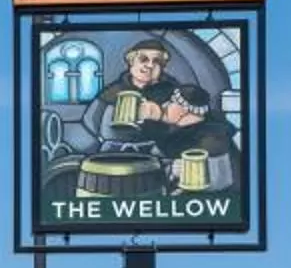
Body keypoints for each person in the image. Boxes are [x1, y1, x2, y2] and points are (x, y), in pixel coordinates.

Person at [69, 36, 237, 199]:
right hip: (110, 155)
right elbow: (91, 120)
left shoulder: (172, 93)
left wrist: (158, 118)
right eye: (144, 59)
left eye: (156, 62)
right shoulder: (112, 91)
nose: (149, 65)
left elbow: (185, 126)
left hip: (155, 157)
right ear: (131, 61)